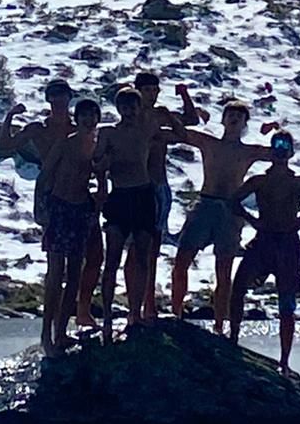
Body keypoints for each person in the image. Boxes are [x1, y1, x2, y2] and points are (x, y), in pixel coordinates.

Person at [229, 131, 300, 375]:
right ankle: (233, 339)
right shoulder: (260, 181)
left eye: (285, 147)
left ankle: (284, 360)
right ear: (271, 151)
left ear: (291, 153)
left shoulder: (299, 182)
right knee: (239, 287)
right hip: (264, 240)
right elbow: (233, 201)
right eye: (277, 146)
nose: (281, 151)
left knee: (287, 301)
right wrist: (252, 220)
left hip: (287, 243)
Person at [169, 101, 276, 333]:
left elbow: (282, 152)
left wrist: (275, 130)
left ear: (245, 123)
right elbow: (179, 132)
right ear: (223, 119)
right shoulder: (209, 143)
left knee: (224, 271)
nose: (234, 118)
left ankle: (219, 325)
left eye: (239, 116)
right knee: (181, 262)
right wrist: (186, 109)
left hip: (229, 210)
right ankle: (176, 313)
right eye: (230, 114)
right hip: (205, 203)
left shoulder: (248, 151)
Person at [94, 85, 173, 342]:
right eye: (124, 107)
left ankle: (135, 313)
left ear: (139, 109)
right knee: (113, 258)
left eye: (132, 107)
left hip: (143, 195)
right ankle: (107, 317)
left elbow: (180, 134)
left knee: (142, 257)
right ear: (118, 109)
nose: (128, 112)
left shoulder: (147, 130)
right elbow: (96, 162)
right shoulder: (108, 133)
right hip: (120, 196)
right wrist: (103, 169)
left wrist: (167, 115)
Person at [133, 70, 204, 319]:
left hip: (158, 186)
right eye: (147, 90)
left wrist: (182, 97)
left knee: (153, 245)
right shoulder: (131, 116)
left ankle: (149, 303)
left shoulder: (160, 116)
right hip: (135, 186)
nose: (151, 95)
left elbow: (190, 124)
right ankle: (136, 304)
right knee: (135, 248)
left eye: (155, 90)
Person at [37, 98, 102, 355]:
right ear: (77, 118)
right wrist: (40, 208)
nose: (88, 120)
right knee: (55, 272)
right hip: (59, 207)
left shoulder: (96, 146)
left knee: (75, 273)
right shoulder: (66, 143)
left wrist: (97, 203)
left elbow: (101, 177)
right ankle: (46, 335)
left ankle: (62, 331)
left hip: (81, 209)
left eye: (92, 115)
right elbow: (44, 175)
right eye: (83, 115)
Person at [0, 79, 74, 229]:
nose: (58, 100)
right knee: (50, 233)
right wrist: (10, 116)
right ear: (48, 99)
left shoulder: (79, 129)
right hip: (48, 185)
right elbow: (5, 145)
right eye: (54, 95)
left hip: (74, 185)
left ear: (69, 97)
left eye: (62, 94)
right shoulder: (38, 129)